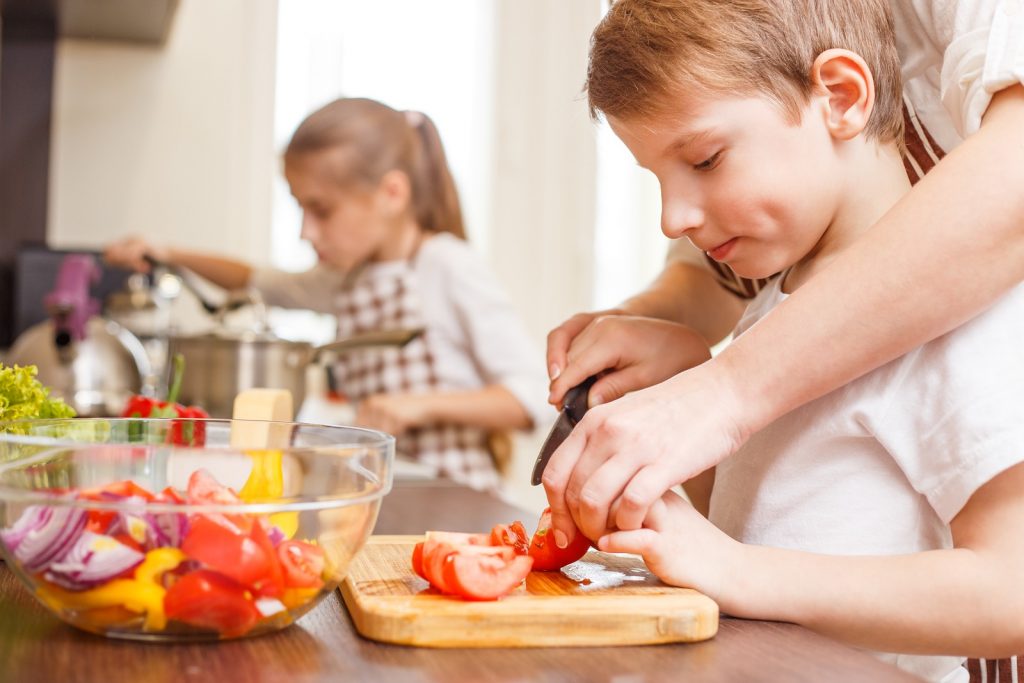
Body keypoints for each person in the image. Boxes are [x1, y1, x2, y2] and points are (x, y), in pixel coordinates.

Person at [562, 1, 1024, 680]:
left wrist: (741, 572)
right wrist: (683, 388)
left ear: (839, 97)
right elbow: (771, 516)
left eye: (706, 158)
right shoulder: (778, 304)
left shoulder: (959, 317)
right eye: (657, 179)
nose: (673, 217)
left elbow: (1010, 591)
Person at [105, 97, 550, 492]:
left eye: (320, 209)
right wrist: (167, 252)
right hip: (387, 492)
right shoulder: (345, 278)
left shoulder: (446, 266)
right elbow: (257, 281)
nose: (305, 232)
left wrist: (416, 407)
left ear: (391, 193)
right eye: (300, 208)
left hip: (455, 500)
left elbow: (531, 396)